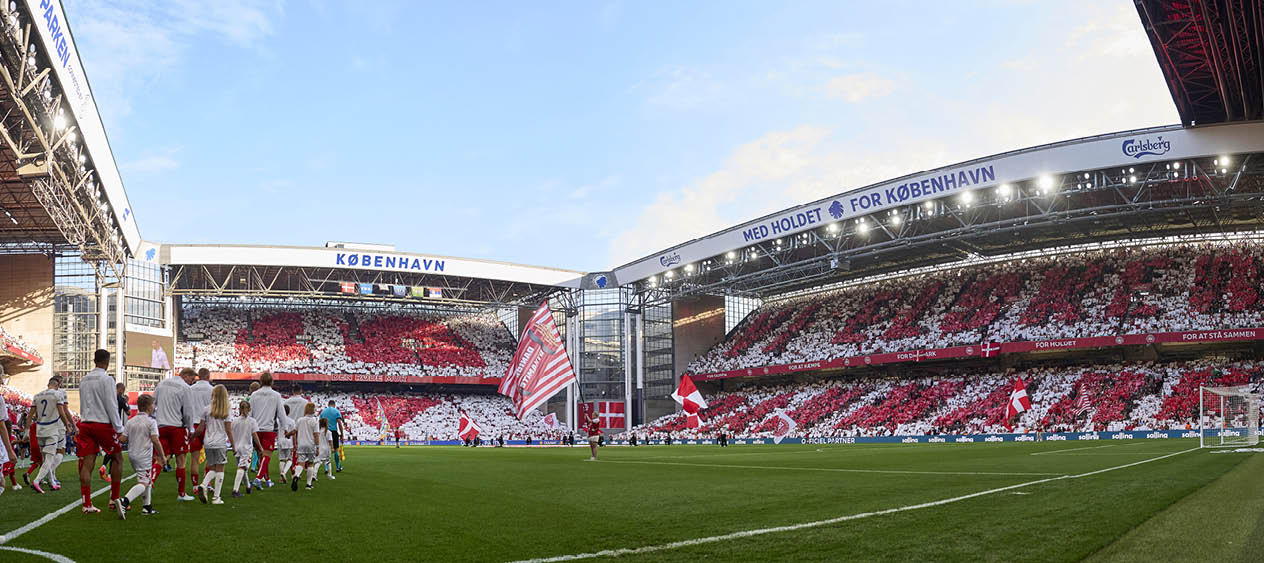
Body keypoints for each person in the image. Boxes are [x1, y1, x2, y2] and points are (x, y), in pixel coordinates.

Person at [75, 349, 126, 516]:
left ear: (94, 360)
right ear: (107, 362)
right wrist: (119, 429)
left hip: (86, 423)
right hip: (102, 424)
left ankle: (86, 503)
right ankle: (114, 499)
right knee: (117, 458)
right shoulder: (107, 379)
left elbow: (83, 403)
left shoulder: (84, 380)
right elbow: (111, 404)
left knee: (87, 462)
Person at [154, 368, 197, 501]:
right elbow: (188, 411)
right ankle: (181, 493)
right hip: (177, 427)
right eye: (192, 378)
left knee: (160, 459)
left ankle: (147, 486)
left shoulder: (161, 384)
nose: (192, 382)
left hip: (160, 426)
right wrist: (190, 428)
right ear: (185, 376)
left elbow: (153, 403)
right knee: (181, 461)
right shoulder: (185, 387)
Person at [120, 394, 166, 516]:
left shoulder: (131, 421)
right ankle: (124, 501)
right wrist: (162, 456)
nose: (154, 407)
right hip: (144, 455)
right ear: (148, 406)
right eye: (153, 405)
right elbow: (155, 440)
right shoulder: (151, 422)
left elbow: (123, 439)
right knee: (143, 482)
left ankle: (147, 507)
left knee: (147, 479)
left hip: (132, 454)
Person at [30, 375, 73, 493]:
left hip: (40, 428)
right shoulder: (60, 393)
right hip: (55, 428)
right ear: (58, 384)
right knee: (56, 453)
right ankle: (38, 480)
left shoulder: (37, 395)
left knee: (46, 457)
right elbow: (64, 411)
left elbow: (32, 415)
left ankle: (52, 481)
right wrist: (70, 425)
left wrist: (27, 429)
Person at [193, 385, 231, 505]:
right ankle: (216, 497)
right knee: (220, 468)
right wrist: (234, 445)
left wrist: (192, 437)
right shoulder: (226, 411)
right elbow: (229, 430)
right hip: (220, 442)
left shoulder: (206, 409)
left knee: (213, 467)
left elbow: (200, 429)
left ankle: (204, 484)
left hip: (208, 442)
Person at [248, 372, 285, 487]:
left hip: (256, 429)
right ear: (272, 382)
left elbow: (250, 413)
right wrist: (285, 429)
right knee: (267, 456)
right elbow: (281, 414)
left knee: (261, 455)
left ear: (261, 381)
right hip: (269, 429)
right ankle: (258, 479)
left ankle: (267, 480)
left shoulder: (254, 395)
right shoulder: (276, 395)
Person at [186, 368, 214, 488]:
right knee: (211, 458)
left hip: (194, 425)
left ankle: (195, 486)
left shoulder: (190, 389)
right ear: (208, 376)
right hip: (208, 425)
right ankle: (207, 483)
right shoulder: (212, 390)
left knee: (194, 458)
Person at [230, 401, 261, 498]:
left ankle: (248, 486)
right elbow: (255, 435)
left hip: (237, 446)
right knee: (242, 468)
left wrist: (233, 446)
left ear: (239, 409)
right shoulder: (252, 421)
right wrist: (260, 447)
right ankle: (235, 490)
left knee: (243, 468)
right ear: (250, 409)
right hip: (246, 447)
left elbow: (231, 433)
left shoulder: (234, 421)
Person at [100, 382, 129, 482]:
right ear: (121, 389)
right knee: (115, 449)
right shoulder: (121, 399)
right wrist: (126, 402)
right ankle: (108, 471)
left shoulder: (108, 397)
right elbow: (128, 412)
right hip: (116, 426)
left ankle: (105, 467)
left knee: (110, 448)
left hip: (106, 424)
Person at [291, 403, 319, 491]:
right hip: (310, 445)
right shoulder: (315, 421)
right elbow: (316, 435)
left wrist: (288, 434)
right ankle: (308, 485)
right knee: (310, 464)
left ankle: (296, 476)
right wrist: (318, 446)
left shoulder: (300, 420)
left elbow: (294, 431)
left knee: (301, 464)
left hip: (301, 444)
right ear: (313, 410)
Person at [318, 399, 346, 472]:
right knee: (336, 449)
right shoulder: (336, 411)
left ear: (328, 404)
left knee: (326, 449)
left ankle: (326, 468)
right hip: (333, 431)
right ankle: (337, 467)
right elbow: (339, 423)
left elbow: (319, 423)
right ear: (334, 405)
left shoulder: (323, 411)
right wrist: (342, 435)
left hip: (324, 431)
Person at [276, 406, 295, 485]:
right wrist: (295, 444)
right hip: (289, 441)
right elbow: (294, 433)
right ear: (289, 412)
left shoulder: (278, 421)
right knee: (289, 459)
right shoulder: (292, 421)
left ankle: (282, 478)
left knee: (281, 459)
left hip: (280, 440)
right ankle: (284, 472)